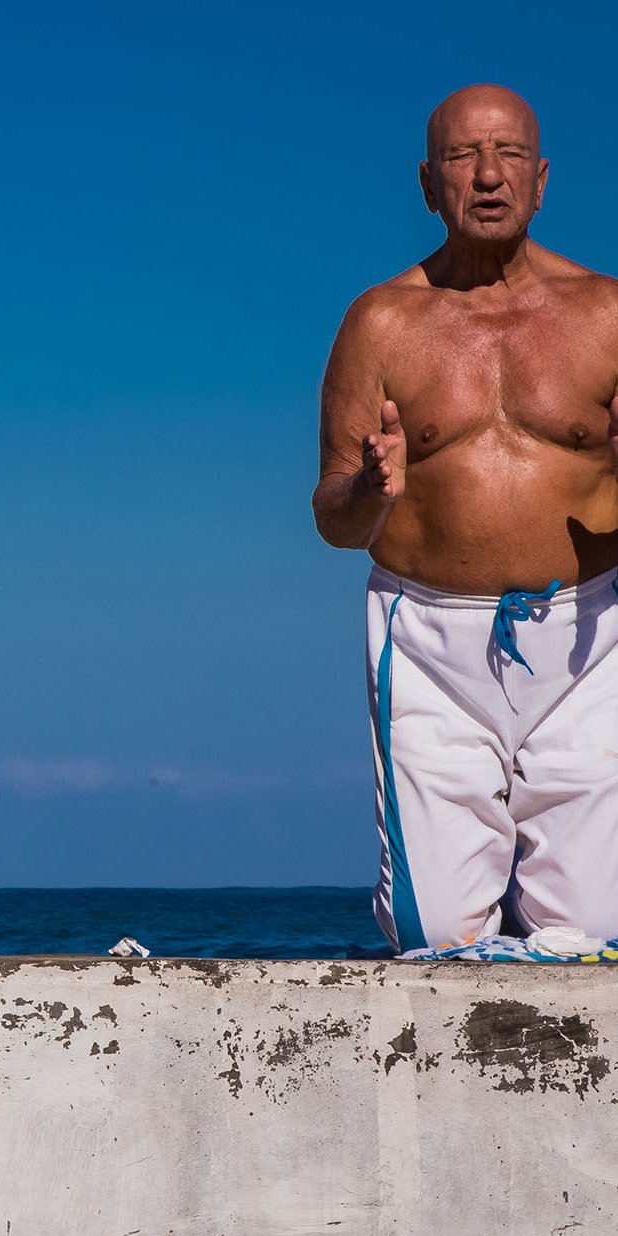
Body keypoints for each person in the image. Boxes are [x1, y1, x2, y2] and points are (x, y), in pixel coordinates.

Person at [314, 84, 618, 955]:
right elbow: (333, 518)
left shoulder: (604, 313)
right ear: (426, 182)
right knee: (435, 935)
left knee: (592, 933)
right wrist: (371, 489)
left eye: (509, 155)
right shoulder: (379, 321)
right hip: (427, 644)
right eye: (460, 157)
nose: (487, 176)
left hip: (587, 638)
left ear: (542, 178)